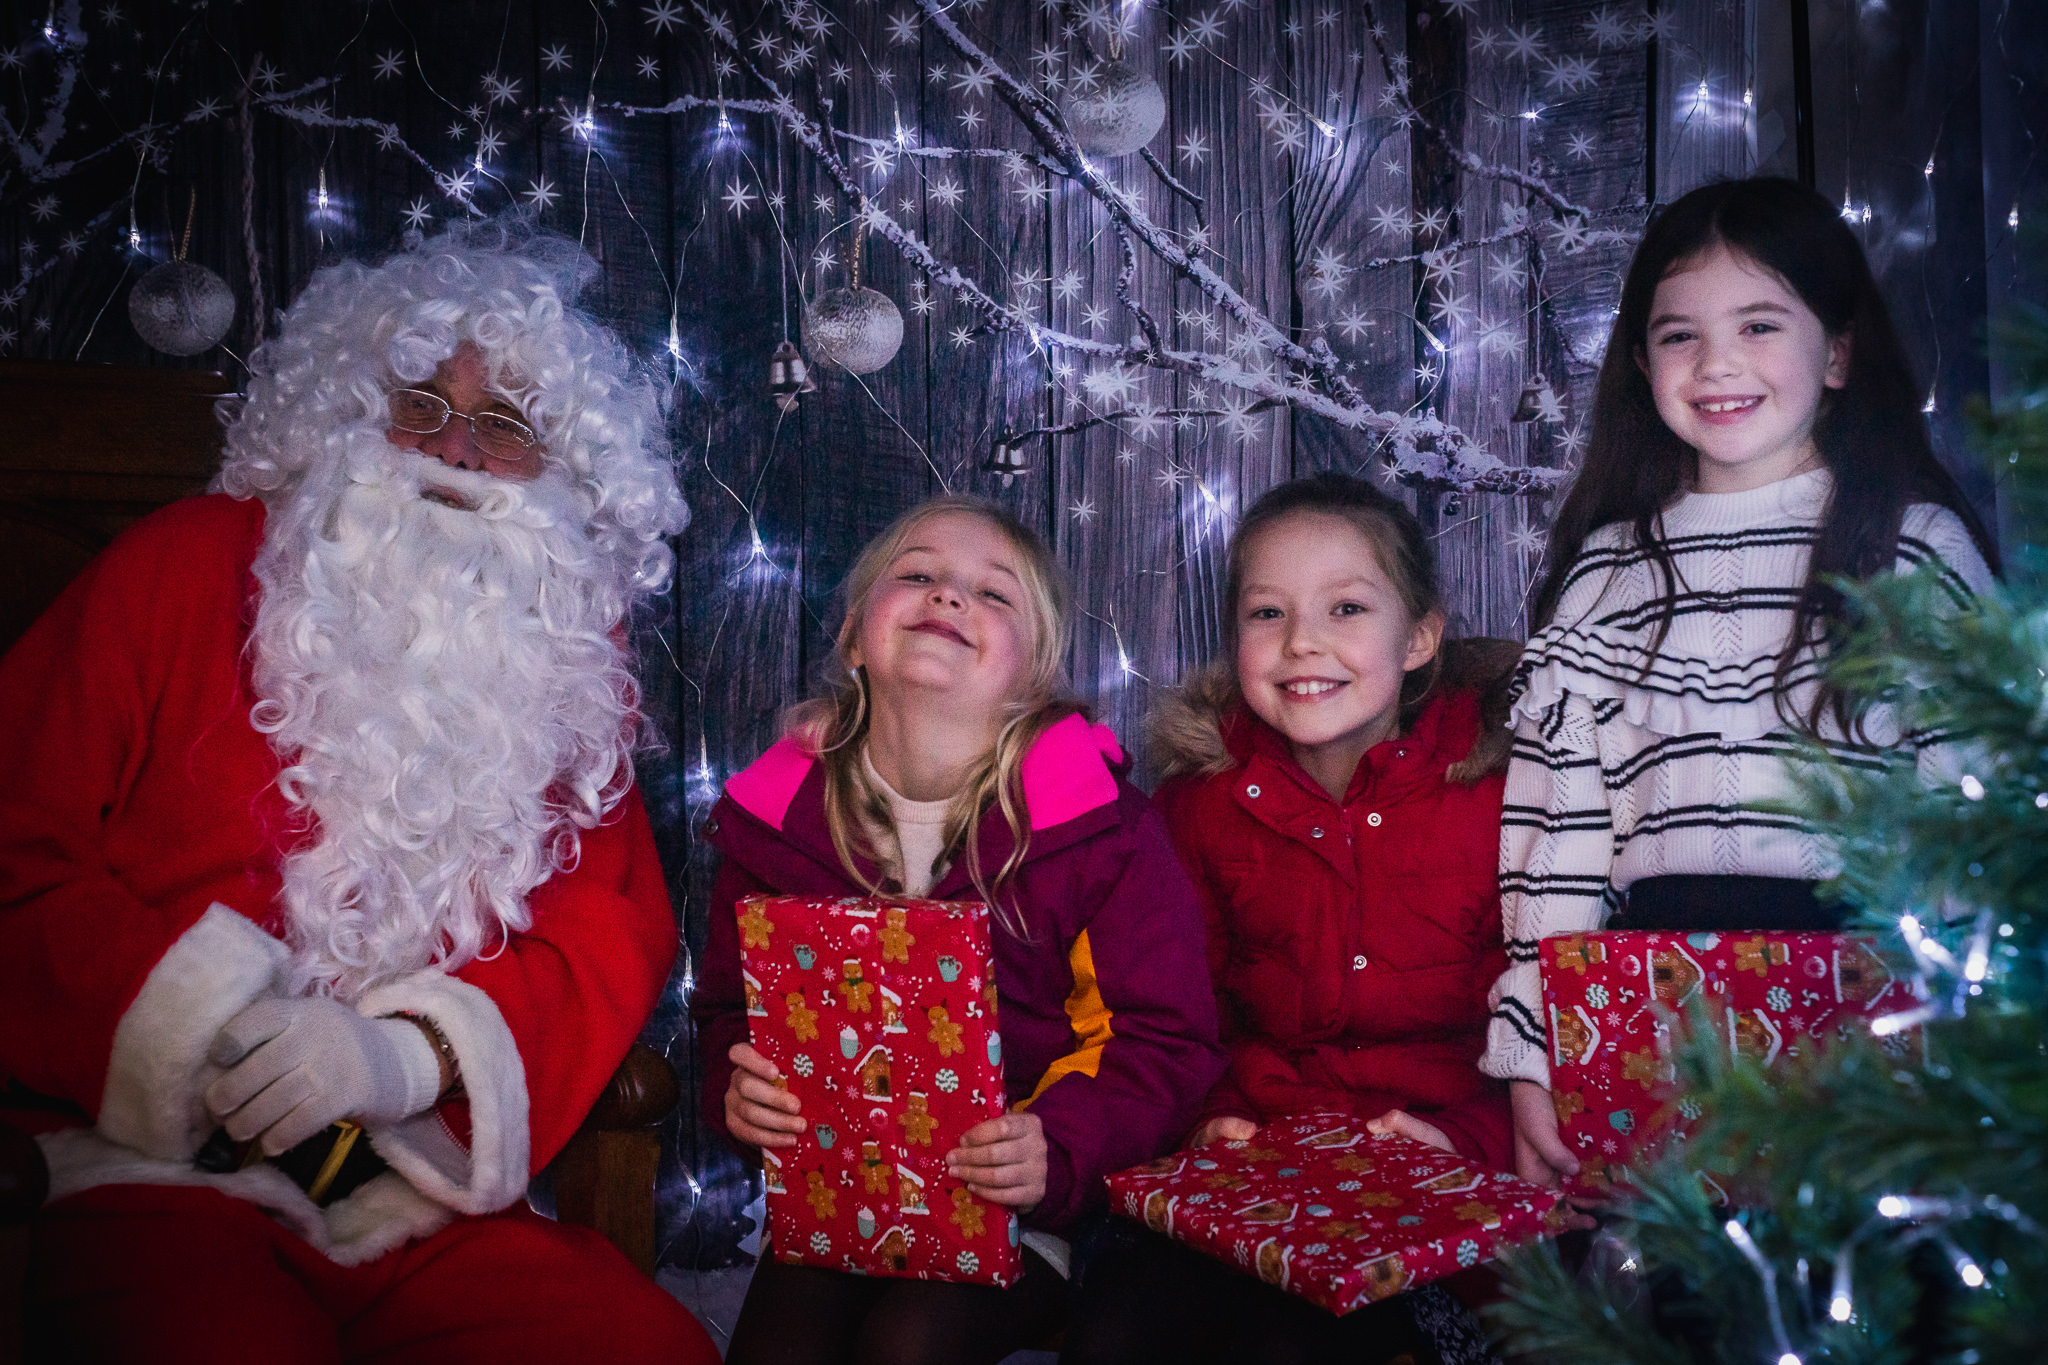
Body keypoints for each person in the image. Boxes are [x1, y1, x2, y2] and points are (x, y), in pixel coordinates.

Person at [0, 225, 719, 1363]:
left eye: (506, 425)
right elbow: (14, 842)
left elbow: (608, 924)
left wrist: (407, 1057)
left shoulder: (562, 653)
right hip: (150, 1169)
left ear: (562, 471)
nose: (458, 452)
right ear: (340, 416)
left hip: (400, 1186)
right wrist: (204, 1032)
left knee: (643, 1349)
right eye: (418, 406)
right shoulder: (182, 562)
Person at [1481, 177, 2001, 1190]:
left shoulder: (1914, 550)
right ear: (1642, 364)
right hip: (1644, 1020)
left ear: (1837, 351)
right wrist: (1533, 1051)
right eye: (1679, 335)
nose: (1716, 362)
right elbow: (1558, 845)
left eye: (1758, 324)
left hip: (1876, 1024)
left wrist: (1965, 1031)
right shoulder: (1605, 575)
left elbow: (1974, 814)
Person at [694, 495, 1226, 1365]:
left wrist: (1057, 1149)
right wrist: (736, 1086)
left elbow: (1165, 1040)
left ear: (1034, 673)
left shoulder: (1101, 830)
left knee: (908, 1345)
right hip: (838, 1192)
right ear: (854, 637)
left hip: (1022, 1201)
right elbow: (728, 1010)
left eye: (993, 593)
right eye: (918, 575)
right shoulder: (775, 819)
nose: (947, 596)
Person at [1059, 474, 1519, 1365]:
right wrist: (1214, 1119)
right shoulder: (1199, 802)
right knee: (1118, 1333)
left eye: (1346, 608)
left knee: (1291, 1346)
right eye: (1267, 613)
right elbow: (1178, 1015)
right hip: (1253, 1170)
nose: (1302, 641)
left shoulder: (1501, 794)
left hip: (1436, 1184)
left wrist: (1465, 1140)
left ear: (1419, 637)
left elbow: (1546, 1024)